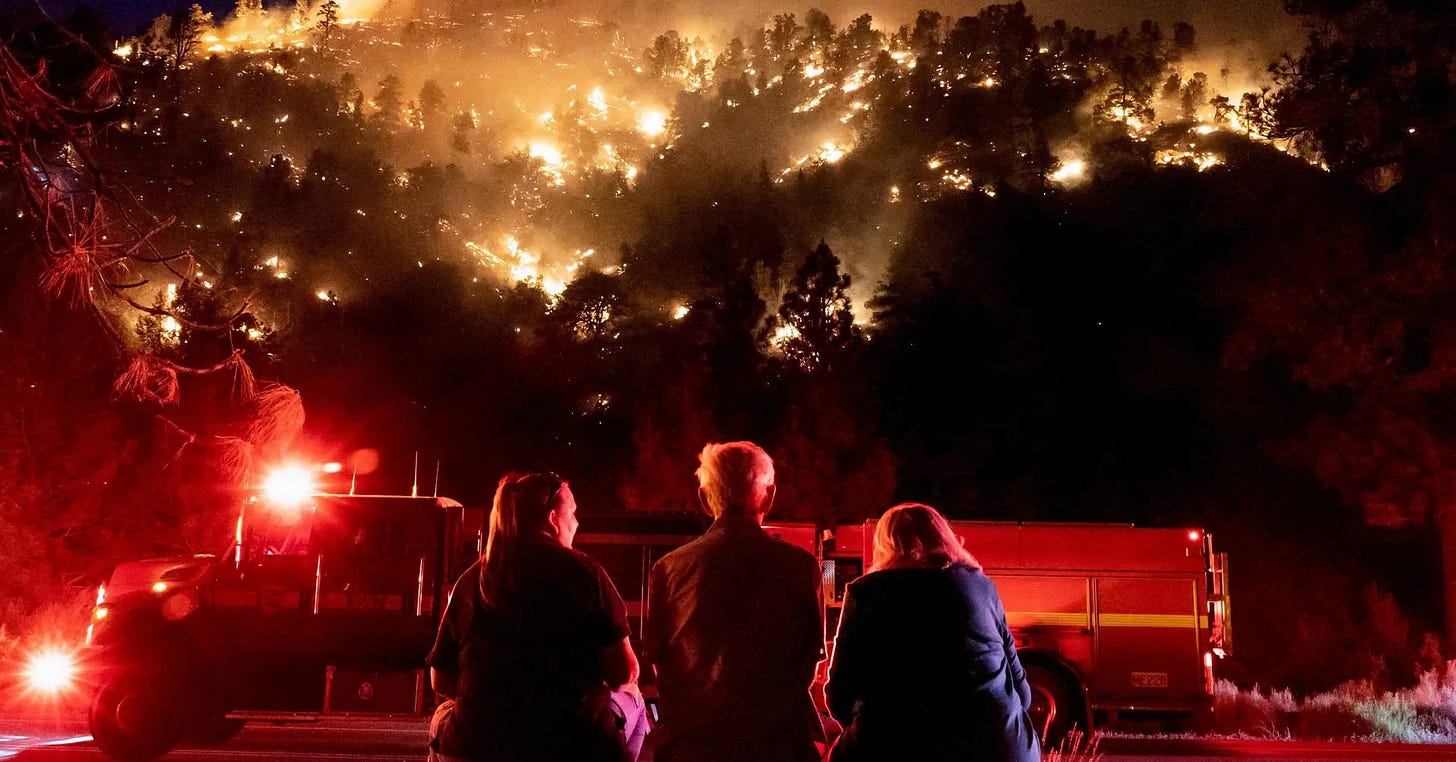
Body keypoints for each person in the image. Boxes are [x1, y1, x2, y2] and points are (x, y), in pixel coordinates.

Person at [427, 472, 647, 762]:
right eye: (573, 513)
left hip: (478, 747)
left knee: (442, 718)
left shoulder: (473, 580)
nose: (577, 523)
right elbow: (623, 674)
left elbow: (440, 679)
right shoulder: (585, 573)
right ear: (553, 518)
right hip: (574, 745)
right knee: (635, 700)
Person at [642, 441, 825, 762]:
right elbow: (807, 665)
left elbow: (660, 663)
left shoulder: (668, 569)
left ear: (703, 499)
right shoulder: (800, 567)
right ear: (769, 496)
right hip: (776, 747)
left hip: (692, 748)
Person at [824, 502, 1041, 762]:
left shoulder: (866, 591)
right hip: (1000, 749)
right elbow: (1023, 694)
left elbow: (839, 694)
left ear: (885, 546)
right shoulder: (982, 587)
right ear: (944, 537)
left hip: (892, 745)